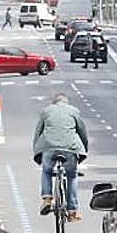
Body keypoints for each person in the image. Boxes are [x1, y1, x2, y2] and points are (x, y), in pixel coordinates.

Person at [33, 93, 89, 222]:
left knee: (47, 171)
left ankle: (47, 199)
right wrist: (83, 149)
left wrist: (37, 151)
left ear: (54, 103)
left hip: (48, 147)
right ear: (66, 102)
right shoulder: (74, 111)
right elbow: (82, 132)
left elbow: (38, 132)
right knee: (72, 176)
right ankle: (72, 211)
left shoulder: (46, 111)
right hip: (70, 147)